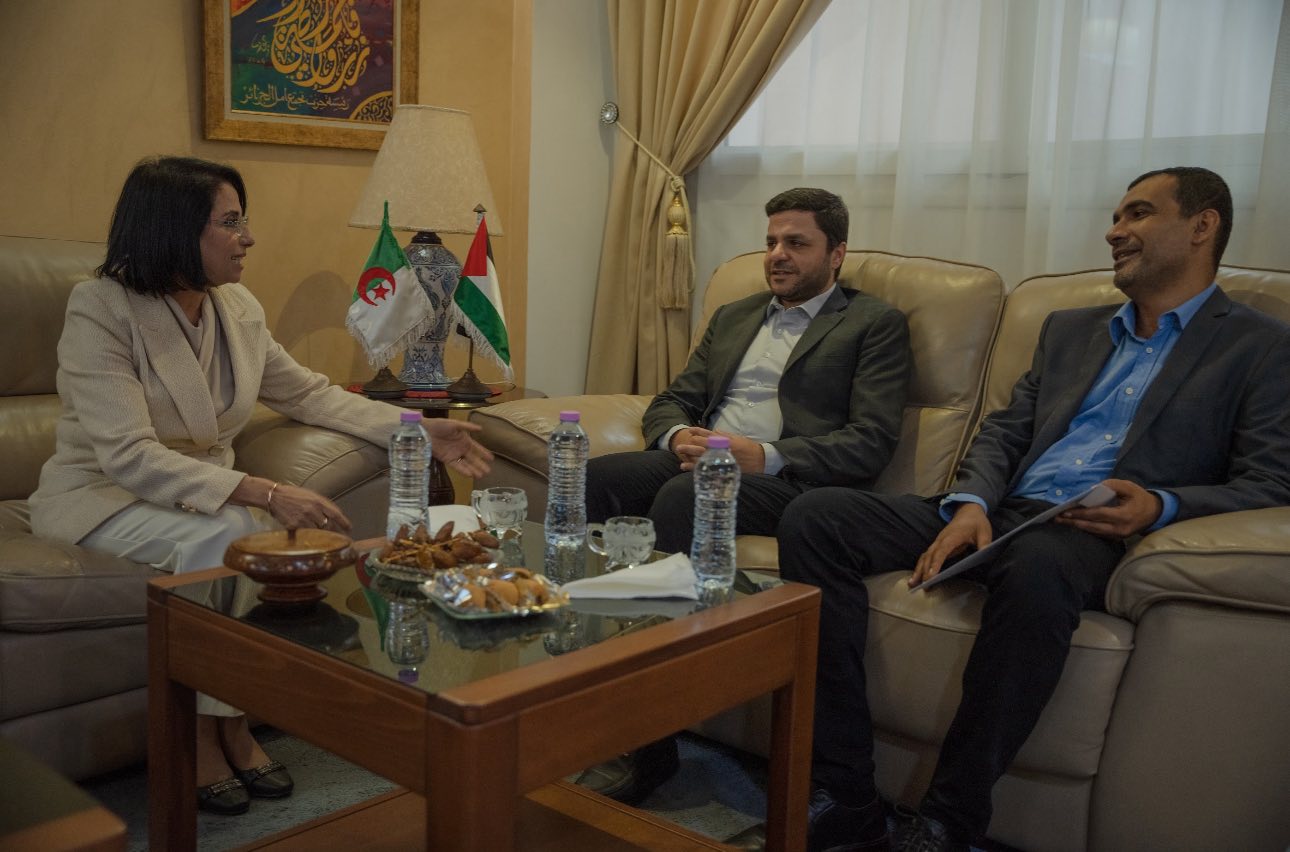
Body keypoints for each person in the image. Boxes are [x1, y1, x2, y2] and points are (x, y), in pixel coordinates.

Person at [777, 166, 1290, 852]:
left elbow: (1271, 481)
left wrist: (1161, 505)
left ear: (1203, 226)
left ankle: (948, 820)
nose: (1114, 231)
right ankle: (845, 792)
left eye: (1138, 214)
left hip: (1088, 533)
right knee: (817, 517)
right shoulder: (1070, 330)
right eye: (1116, 216)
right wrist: (970, 503)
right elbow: (1005, 432)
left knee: (1039, 565)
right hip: (1004, 509)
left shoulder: (1259, 346)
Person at [29, 156, 493, 816]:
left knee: (238, 525)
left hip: (205, 492)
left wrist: (414, 430)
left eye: (242, 220)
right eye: (230, 222)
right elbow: (129, 456)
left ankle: (227, 722)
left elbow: (308, 394)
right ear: (174, 229)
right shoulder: (101, 308)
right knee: (234, 530)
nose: (248, 237)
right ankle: (209, 732)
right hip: (103, 493)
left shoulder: (237, 307)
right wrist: (266, 492)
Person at [579, 187, 912, 803]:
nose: (777, 255)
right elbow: (673, 399)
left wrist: (767, 455)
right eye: (771, 242)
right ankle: (593, 697)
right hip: (703, 459)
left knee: (682, 498)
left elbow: (870, 441)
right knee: (597, 479)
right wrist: (677, 434)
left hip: (788, 481)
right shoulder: (736, 315)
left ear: (837, 254)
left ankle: (651, 736)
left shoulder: (873, 324)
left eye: (796, 243)